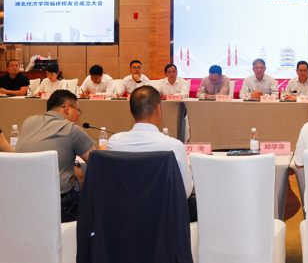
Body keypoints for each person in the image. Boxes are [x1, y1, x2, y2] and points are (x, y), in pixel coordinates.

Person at [14, 90, 95, 222]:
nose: (78, 116)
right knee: (96, 202)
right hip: (56, 206)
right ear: (68, 108)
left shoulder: (28, 122)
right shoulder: (72, 130)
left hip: (20, 202)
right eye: (78, 111)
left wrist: (72, 166)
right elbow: (97, 163)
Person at [107, 86, 194, 199]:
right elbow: (185, 191)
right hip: (162, 209)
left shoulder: (114, 143)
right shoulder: (174, 147)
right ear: (159, 109)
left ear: (131, 113)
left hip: (122, 208)